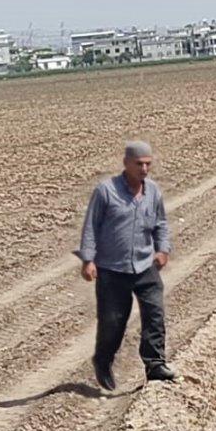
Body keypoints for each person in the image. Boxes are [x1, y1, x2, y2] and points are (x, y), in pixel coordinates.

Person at [76, 141, 176, 391]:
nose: (144, 169)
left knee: (155, 314)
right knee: (113, 322)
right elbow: (91, 227)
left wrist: (163, 249)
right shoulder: (106, 191)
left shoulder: (153, 191)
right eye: (139, 164)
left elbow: (161, 224)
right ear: (126, 163)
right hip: (112, 269)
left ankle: (155, 364)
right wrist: (88, 260)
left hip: (144, 265)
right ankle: (103, 360)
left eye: (148, 164)